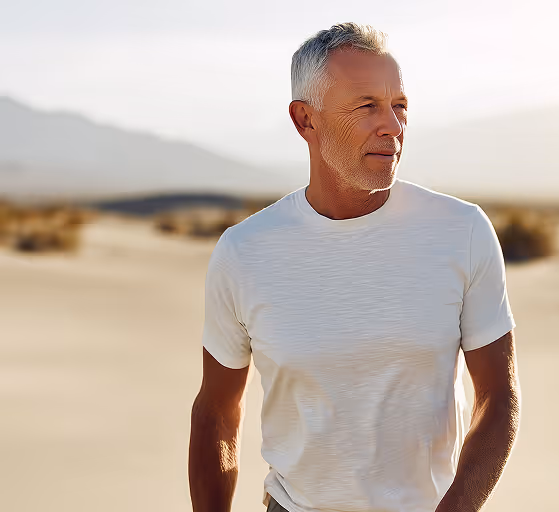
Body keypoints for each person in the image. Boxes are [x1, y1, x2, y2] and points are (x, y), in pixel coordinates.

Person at [188, 22, 520, 512]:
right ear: (305, 121)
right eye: (367, 106)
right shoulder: (244, 251)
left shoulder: (462, 231)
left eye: (399, 106)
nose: (393, 125)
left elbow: (498, 397)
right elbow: (217, 411)